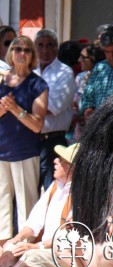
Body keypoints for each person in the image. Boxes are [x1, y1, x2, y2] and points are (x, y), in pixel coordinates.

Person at [0, 143, 77, 267]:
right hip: (43, 248)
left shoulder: (81, 193)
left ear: (71, 168)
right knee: (12, 247)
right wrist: (18, 238)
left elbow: (67, 236)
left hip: (61, 252)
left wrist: (36, 246)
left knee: (30, 257)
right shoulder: (55, 186)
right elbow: (34, 221)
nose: (55, 161)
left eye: (61, 160)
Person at [0, 36, 48, 245]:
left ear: (32, 56)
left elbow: (37, 125)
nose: (21, 53)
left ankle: (25, 252)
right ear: (11, 53)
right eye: (17, 48)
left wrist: (15, 109)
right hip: (1, 153)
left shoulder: (37, 84)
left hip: (25, 153)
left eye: (26, 50)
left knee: (26, 208)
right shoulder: (1, 80)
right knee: (1, 210)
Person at [33, 29, 75, 190]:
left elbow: (54, 106)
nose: (45, 50)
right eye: (40, 45)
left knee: (51, 190)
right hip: (30, 140)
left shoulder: (64, 72)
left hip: (53, 141)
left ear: (57, 48)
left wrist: (23, 107)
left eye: (49, 45)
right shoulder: (32, 71)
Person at [79, 26, 113, 119]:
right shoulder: (99, 68)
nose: (111, 56)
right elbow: (88, 96)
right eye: (107, 52)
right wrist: (88, 111)